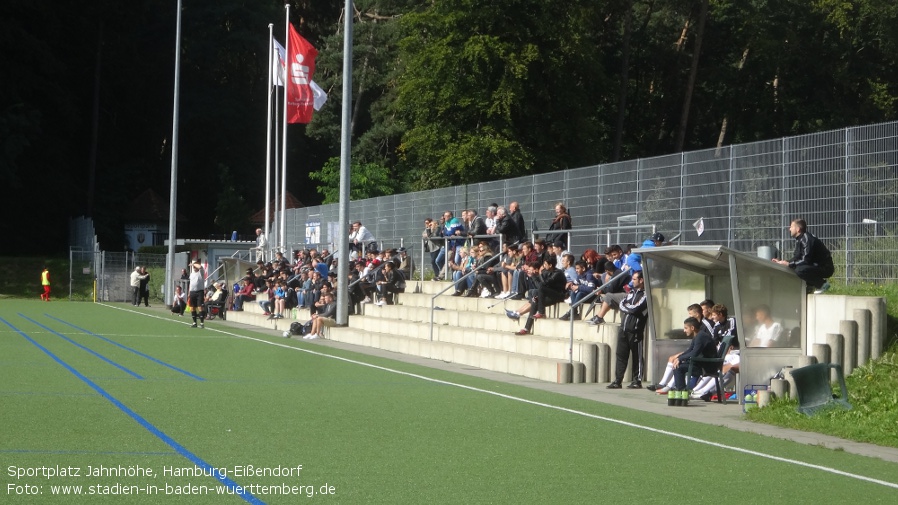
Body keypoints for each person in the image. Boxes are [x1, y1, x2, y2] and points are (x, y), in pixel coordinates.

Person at [607, 271, 649, 389]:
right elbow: (621, 304)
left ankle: (637, 380)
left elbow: (636, 308)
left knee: (637, 356)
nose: (632, 281)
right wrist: (628, 307)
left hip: (635, 331)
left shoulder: (646, 295)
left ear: (641, 280)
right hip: (623, 329)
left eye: (635, 279)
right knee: (620, 355)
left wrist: (627, 307)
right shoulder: (631, 293)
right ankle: (618, 380)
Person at [772, 218, 834, 293]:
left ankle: (822, 284)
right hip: (814, 266)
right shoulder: (800, 239)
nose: (789, 229)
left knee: (799, 269)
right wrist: (783, 262)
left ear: (798, 229)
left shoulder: (806, 239)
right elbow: (797, 257)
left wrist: (789, 264)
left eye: (791, 226)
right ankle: (810, 287)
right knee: (795, 267)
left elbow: (805, 260)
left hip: (825, 268)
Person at [671, 316, 718, 393]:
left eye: (686, 328)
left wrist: (680, 359)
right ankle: (681, 390)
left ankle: (681, 391)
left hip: (706, 367)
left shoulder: (701, 337)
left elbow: (695, 353)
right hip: (701, 363)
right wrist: (679, 358)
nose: (684, 330)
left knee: (678, 368)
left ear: (692, 328)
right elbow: (690, 350)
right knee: (678, 365)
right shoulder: (698, 336)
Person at [187, 260, 207, 328]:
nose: (194, 268)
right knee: (192, 308)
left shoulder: (200, 273)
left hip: (199, 292)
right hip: (192, 292)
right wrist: (189, 292)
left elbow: (200, 267)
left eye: (195, 266)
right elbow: (191, 283)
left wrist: (193, 264)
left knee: (200, 307)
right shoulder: (192, 274)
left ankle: (201, 323)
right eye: (193, 267)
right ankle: (194, 322)